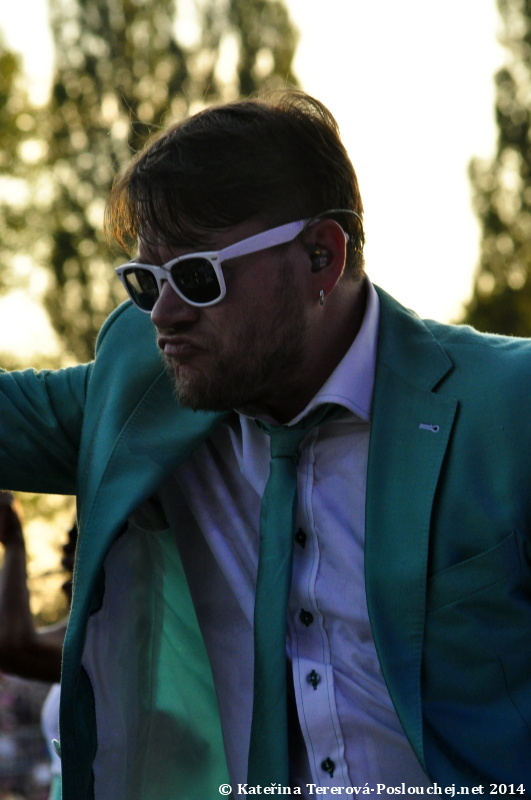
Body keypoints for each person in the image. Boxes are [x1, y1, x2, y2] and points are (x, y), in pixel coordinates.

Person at [0, 90, 529, 800]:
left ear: (321, 255)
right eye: (145, 282)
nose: (164, 314)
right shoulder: (145, 391)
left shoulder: (508, 407)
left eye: (197, 276)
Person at [0, 491, 76, 800]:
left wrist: (15, 542)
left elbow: (14, 645)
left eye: (80, 536)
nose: (66, 546)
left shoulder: (124, 640)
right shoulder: (88, 634)